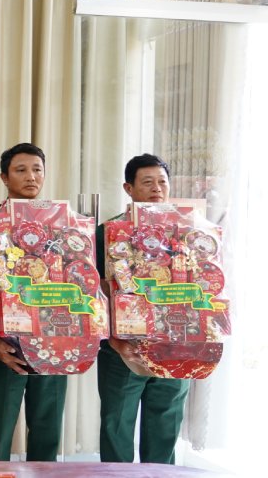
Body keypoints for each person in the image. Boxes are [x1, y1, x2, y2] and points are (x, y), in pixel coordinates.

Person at [0, 143, 66, 461]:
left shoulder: (62, 225)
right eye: (21, 170)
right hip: (3, 342)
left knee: (47, 427)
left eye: (37, 169)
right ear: (4, 177)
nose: (31, 177)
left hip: (53, 338)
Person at [96, 153, 187, 464]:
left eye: (162, 182)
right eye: (147, 182)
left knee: (165, 421)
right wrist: (112, 340)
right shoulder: (108, 232)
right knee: (116, 423)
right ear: (128, 188)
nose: (156, 189)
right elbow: (94, 290)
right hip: (122, 346)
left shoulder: (185, 232)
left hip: (173, 342)